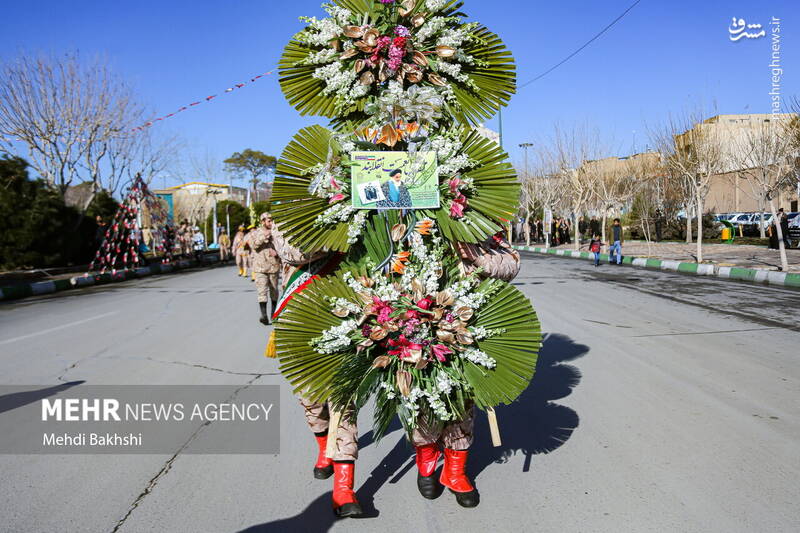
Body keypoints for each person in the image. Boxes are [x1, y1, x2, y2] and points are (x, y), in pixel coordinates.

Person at [409, 231, 521, 508]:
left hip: (468, 325)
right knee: (420, 399)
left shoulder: (475, 223)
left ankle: (455, 471)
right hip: (414, 324)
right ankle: (426, 462)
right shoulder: (405, 218)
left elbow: (512, 263)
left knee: (462, 399)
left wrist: (476, 256)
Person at [270, 222, 362, 518]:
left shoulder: (357, 205)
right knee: (311, 400)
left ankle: (344, 490)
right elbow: (291, 251)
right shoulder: (288, 213)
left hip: (344, 318)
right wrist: (341, 232)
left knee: (344, 403)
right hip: (299, 321)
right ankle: (323, 445)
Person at [251, 213, 280, 325]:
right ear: (263, 221)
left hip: (273, 267)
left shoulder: (276, 232)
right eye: (268, 220)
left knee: (274, 291)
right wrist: (265, 237)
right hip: (260, 267)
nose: (271, 222)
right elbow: (254, 245)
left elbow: (282, 246)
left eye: (272, 220)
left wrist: (277, 252)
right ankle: (264, 315)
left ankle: (273, 314)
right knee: (262, 291)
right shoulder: (256, 233)